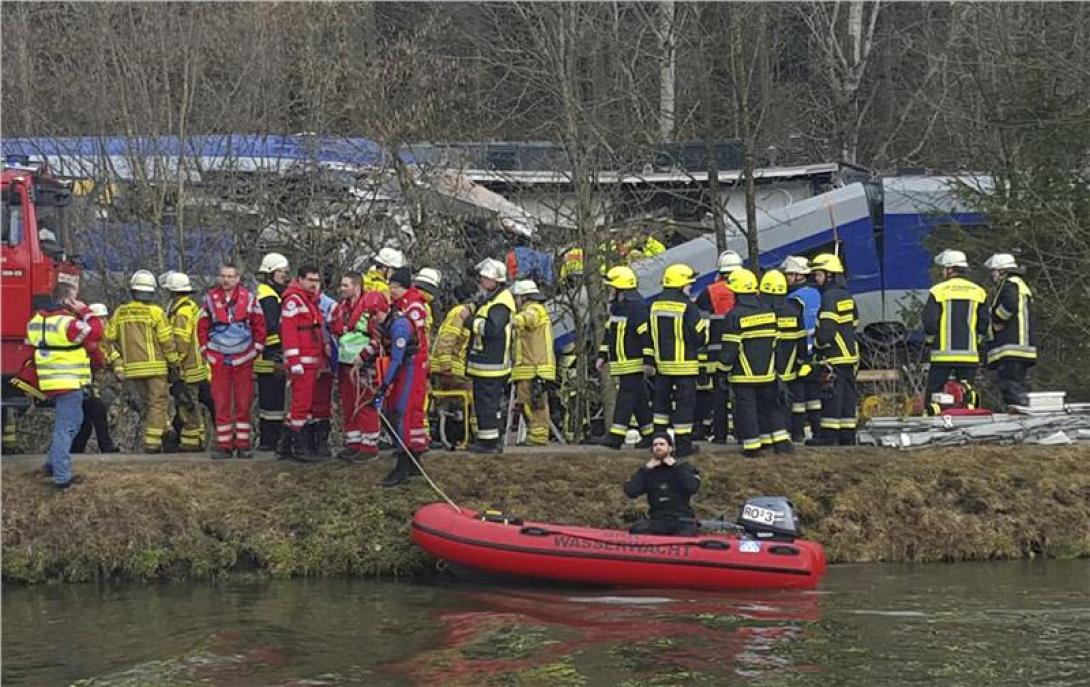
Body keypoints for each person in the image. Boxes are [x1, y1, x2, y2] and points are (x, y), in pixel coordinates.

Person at [27, 281, 103, 488]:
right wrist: (85, 311)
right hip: (68, 380)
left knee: (70, 423)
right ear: (69, 300)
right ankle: (62, 476)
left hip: (49, 380)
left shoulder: (36, 320)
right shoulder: (67, 322)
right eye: (76, 297)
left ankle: (52, 464)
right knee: (67, 426)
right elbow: (96, 333)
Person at [106, 270, 180, 453]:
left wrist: (117, 363)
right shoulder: (155, 312)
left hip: (132, 369)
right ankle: (153, 443)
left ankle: (167, 430)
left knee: (149, 404)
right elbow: (166, 341)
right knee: (157, 403)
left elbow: (106, 339)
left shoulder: (120, 313)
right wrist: (174, 361)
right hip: (156, 368)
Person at [197, 262, 266, 459]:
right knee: (221, 401)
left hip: (244, 357)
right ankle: (224, 445)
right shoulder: (210, 300)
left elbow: (260, 326)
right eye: (223, 276)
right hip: (219, 357)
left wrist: (256, 349)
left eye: (230, 276)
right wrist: (206, 351)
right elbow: (201, 327)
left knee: (244, 401)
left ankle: (243, 444)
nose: (226, 280)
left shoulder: (250, 300)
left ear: (237, 279)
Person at [721, 269, 792, 457]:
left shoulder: (735, 315)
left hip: (743, 375)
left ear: (736, 291)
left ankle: (752, 447)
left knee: (748, 409)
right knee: (771, 406)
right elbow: (777, 343)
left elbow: (730, 349)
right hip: (768, 372)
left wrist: (722, 370)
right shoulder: (768, 312)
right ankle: (781, 442)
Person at [649, 263, 707, 457]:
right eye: (689, 283)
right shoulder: (688, 306)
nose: (690, 287)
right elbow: (699, 336)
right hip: (684, 366)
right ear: (681, 284)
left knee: (660, 407)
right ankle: (683, 446)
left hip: (662, 366)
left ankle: (658, 443)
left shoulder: (655, 304)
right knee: (684, 406)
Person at [374, 285, 430, 486]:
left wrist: (384, 385)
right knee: (401, 414)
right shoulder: (391, 317)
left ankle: (404, 463)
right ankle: (413, 459)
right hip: (405, 367)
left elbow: (397, 357)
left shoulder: (402, 322)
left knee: (402, 413)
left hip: (410, 367)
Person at [922, 249, 989, 414]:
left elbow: (929, 321)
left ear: (950, 269)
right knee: (966, 393)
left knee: (935, 393)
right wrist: (977, 342)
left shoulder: (938, 291)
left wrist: (931, 341)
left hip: (942, 356)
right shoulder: (978, 292)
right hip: (969, 355)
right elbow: (984, 323)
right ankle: (968, 422)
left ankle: (933, 422)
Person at [277, 265, 333, 461]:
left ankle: (286, 447)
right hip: (302, 360)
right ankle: (298, 448)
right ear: (299, 279)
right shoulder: (293, 301)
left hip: (313, 359)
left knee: (306, 404)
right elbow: (289, 332)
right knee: (300, 404)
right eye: (310, 280)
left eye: (316, 281)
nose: (314, 284)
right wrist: (294, 360)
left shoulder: (310, 301)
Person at [597, 266, 654, 449]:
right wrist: (602, 355)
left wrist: (648, 361)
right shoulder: (618, 308)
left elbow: (646, 336)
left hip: (634, 362)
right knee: (639, 399)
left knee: (626, 396)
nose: (610, 291)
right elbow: (610, 333)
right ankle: (650, 433)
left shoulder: (637, 307)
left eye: (612, 287)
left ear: (621, 289)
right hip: (621, 362)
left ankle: (616, 436)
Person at [465, 258, 516, 454]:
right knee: (484, 403)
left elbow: (492, 329)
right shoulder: (492, 299)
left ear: (495, 280)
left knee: (487, 402)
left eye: (484, 278)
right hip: (484, 362)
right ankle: (487, 438)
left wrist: (469, 321)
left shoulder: (501, 303)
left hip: (492, 364)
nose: (481, 282)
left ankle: (489, 442)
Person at [809, 253, 860, 445]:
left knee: (831, 396)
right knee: (847, 397)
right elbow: (855, 321)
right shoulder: (847, 295)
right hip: (849, 354)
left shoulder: (829, 296)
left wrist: (819, 345)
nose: (816, 278)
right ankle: (847, 435)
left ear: (829, 275)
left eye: (819, 274)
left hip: (834, 355)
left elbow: (827, 328)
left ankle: (829, 436)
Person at [331, 278, 383, 462]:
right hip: (345, 362)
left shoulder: (370, 308)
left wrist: (362, 357)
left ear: (357, 287)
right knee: (349, 403)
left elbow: (378, 337)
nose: (342, 288)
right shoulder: (342, 308)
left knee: (364, 403)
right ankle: (353, 443)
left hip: (364, 362)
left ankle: (369, 446)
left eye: (346, 285)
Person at [695, 250, 743, 443]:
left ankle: (720, 435)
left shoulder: (710, 291)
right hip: (741, 350)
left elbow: (701, 321)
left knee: (719, 395)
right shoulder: (748, 288)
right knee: (742, 394)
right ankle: (742, 432)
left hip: (716, 351)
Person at [160, 272, 211, 452]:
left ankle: (192, 443)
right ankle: (196, 439)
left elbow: (181, 342)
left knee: (186, 404)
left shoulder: (182, 313)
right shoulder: (191, 307)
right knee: (190, 403)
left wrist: (173, 362)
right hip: (198, 365)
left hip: (188, 368)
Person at [983, 253, 1037, 406]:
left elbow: (1010, 305)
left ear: (1002, 271)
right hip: (1022, 345)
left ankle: (1019, 411)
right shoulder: (1021, 285)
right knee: (1016, 383)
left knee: (1010, 384)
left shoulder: (1010, 284)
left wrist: (997, 318)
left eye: (994, 271)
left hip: (1011, 345)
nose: (992, 275)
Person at [623, 433, 702, 536]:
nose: (658, 447)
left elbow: (692, 487)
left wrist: (675, 467)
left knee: (684, 534)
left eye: (661, 444)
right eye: (655, 445)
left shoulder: (683, 468)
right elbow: (631, 491)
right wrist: (645, 469)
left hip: (681, 520)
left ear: (670, 448)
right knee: (638, 529)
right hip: (657, 519)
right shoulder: (648, 472)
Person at [509, 280, 556, 446]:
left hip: (534, 367)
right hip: (530, 367)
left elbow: (527, 318)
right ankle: (535, 435)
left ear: (523, 297)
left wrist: (511, 320)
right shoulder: (535, 308)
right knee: (527, 402)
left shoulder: (534, 309)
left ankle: (538, 436)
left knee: (534, 403)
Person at [71, 303, 120, 454]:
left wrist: (119, 369)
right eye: (100, 319)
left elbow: (113, 357)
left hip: (93, 383)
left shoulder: (104, 342)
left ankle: (76, 450)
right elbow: (96, 358)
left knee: (87, 421)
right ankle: (105, 446)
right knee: (95, 412)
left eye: (105, 319)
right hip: (85, 383)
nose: (103, 323)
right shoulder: (86, 338)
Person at [782, 256, 822, 441]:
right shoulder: (817, 293)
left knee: (797, 397)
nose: (787, 278)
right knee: (814, 396)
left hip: (799, 351)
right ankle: (817, 430)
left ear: (799, 275)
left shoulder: (793, 299)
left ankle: (797, 433)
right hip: (816, 349)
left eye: (790, 274)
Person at [254, 252, 290, 452]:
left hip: (266, 356)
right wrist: (279, 355)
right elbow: (272, 328)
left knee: (269, 402)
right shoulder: (268, 297)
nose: (285, 276)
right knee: (273, 402)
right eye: (282, 273)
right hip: (270, 357)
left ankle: (268, 440)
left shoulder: (269, 294)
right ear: (270, 274)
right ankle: (270, 440)